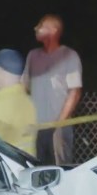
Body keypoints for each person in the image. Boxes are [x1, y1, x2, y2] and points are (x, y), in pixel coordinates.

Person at [23, 14, 82, 165]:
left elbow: (74, 92)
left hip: (58, 127)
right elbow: (24, 87)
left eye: (41, 26)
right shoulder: (33, 56)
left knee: (60, 169)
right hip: (36, 124)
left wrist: (59, 123)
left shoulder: (69, 55)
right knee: (35, 168)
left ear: (54, 31)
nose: (36, 28)